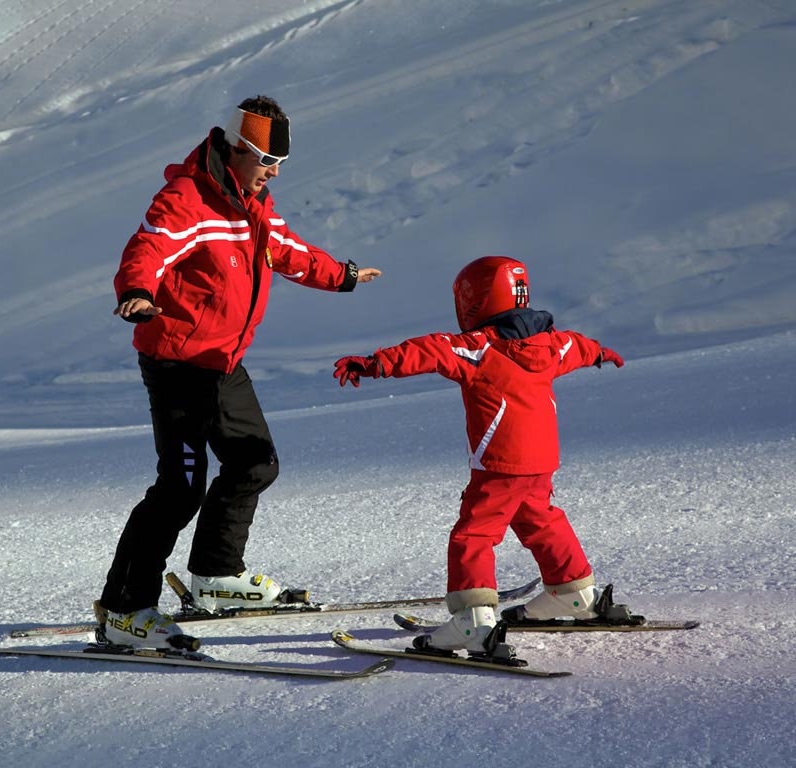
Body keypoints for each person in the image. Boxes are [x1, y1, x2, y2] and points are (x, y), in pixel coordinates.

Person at [96, 95, 382, 650]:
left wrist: (341, 275)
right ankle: (124, 610)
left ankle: (215, 577)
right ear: (236, 150)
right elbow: (149, 247)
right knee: (179, 490)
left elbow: (287, 250)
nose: (273, 173)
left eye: (279, 165)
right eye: (266, 162)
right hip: (178, 364)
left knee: (255, 462)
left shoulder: (252, 204)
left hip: (222, 364)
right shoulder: (187, 199)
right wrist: (136, 291)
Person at [333, 256, 624, 656]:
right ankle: (574, 593)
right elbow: (579, 346)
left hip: (501, 461)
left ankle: (472, 621)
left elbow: (430, 350)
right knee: (540, 518)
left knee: (474, 533)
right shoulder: (551, 343)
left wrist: (374, 364)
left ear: (477, 299)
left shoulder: (479, 348)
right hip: (541, 459)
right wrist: (601, 352)